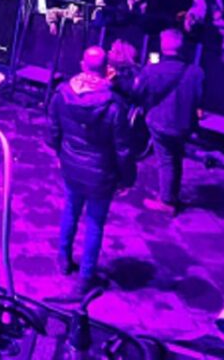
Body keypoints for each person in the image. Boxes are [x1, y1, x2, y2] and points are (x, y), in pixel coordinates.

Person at [49, 45, 136, 295]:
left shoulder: (62, 94)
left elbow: (54, 129)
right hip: (101, 173)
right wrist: (127, 178)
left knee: (70, 212)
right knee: (95, 223)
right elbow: (123, 148)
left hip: (71, 165)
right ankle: (86, 276)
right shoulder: (114, 105)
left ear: (82, 64)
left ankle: (63, 259)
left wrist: (60, 154)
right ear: (106, 69)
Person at [132, 27, 203, 215]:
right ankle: (172, 194)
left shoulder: (153, 70)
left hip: (160, 121)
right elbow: (199, 99)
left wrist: (145, 70)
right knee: (176, 159)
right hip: (184, 123)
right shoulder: (196, 72)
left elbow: (138, 93)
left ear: (163, 47)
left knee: (166, 160)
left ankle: (167, 201)